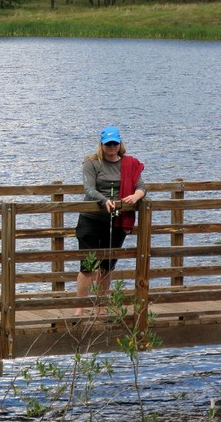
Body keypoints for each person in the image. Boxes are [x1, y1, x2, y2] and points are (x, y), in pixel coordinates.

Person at [75, 126, 146, 316]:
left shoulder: (129, 164)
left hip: (116, 221)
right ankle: (79, 308)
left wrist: (135, 197)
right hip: (91, 219)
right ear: (102, 144)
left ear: (120, 143)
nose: (111, 147)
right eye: (108, 144)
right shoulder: (92, 163)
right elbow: (89, 189)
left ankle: (101, 307)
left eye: (115, 143)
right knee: (87, 267)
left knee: (107, 267)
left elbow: (141, 187)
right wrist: (104, 200)